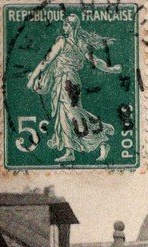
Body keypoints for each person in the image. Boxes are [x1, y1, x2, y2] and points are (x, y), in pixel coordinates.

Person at [26, 14, 122, 163]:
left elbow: (46, 61)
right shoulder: (81, 43)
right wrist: (110, 69)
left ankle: (101, 140)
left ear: (70, 26)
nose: (63, 28)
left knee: (74, 114)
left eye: (65, 25)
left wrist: (33, 78)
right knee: (64, 115)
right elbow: (96, 61)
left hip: (66, 81)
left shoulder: (62, 42)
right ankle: (69, 151)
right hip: (71, 82)